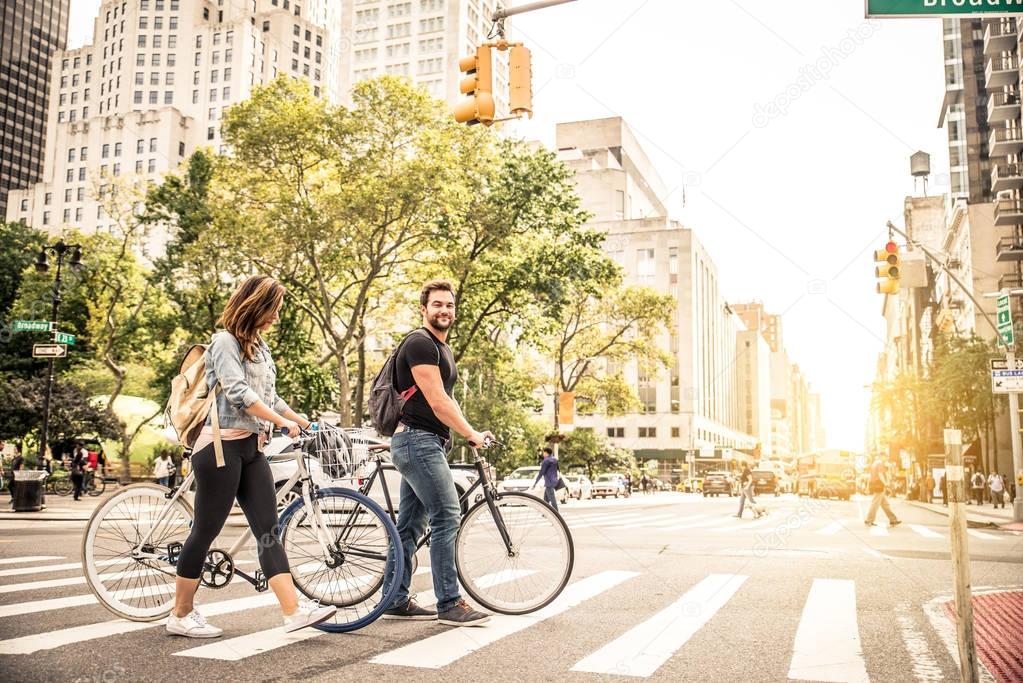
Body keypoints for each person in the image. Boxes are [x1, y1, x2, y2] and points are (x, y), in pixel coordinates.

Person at [168, 275, 335, 638]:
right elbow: (238, 391)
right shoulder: (224, 342)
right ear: (255, 305)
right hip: (219, 449)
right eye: (273, 308)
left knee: (267, 532)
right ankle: (180, 614)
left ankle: (292, 612)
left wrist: (297, 418)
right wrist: (278, 421)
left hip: (252, 448)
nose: (276, 316)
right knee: (205, 531)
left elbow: (269, 396)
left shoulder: (259, 347)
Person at [383, 279, 494, 627]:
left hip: (424, 441)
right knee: (447, 516)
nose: (444, 310)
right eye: (437, 305)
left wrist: (472, 430)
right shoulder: (420, 343)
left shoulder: (441, 349)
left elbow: (448, 399)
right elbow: (436, 399)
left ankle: (395, 597)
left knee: (410, 526)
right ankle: (449, 603)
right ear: (424, 309)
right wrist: (470, 434)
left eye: (449, 305)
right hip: (417, 441)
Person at [864, 454, 901, 527]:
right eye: (886, 457)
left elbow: (870, 476)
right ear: (882, 456)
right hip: (879, 486)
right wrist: (886, 484)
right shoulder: (880, 463)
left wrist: (867, 487)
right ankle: (869, 520)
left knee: (885, 505)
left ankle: (893, 520)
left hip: (875, 485)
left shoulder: (874, 463)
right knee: (875, 504)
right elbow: (880, 474)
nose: (887, 458)